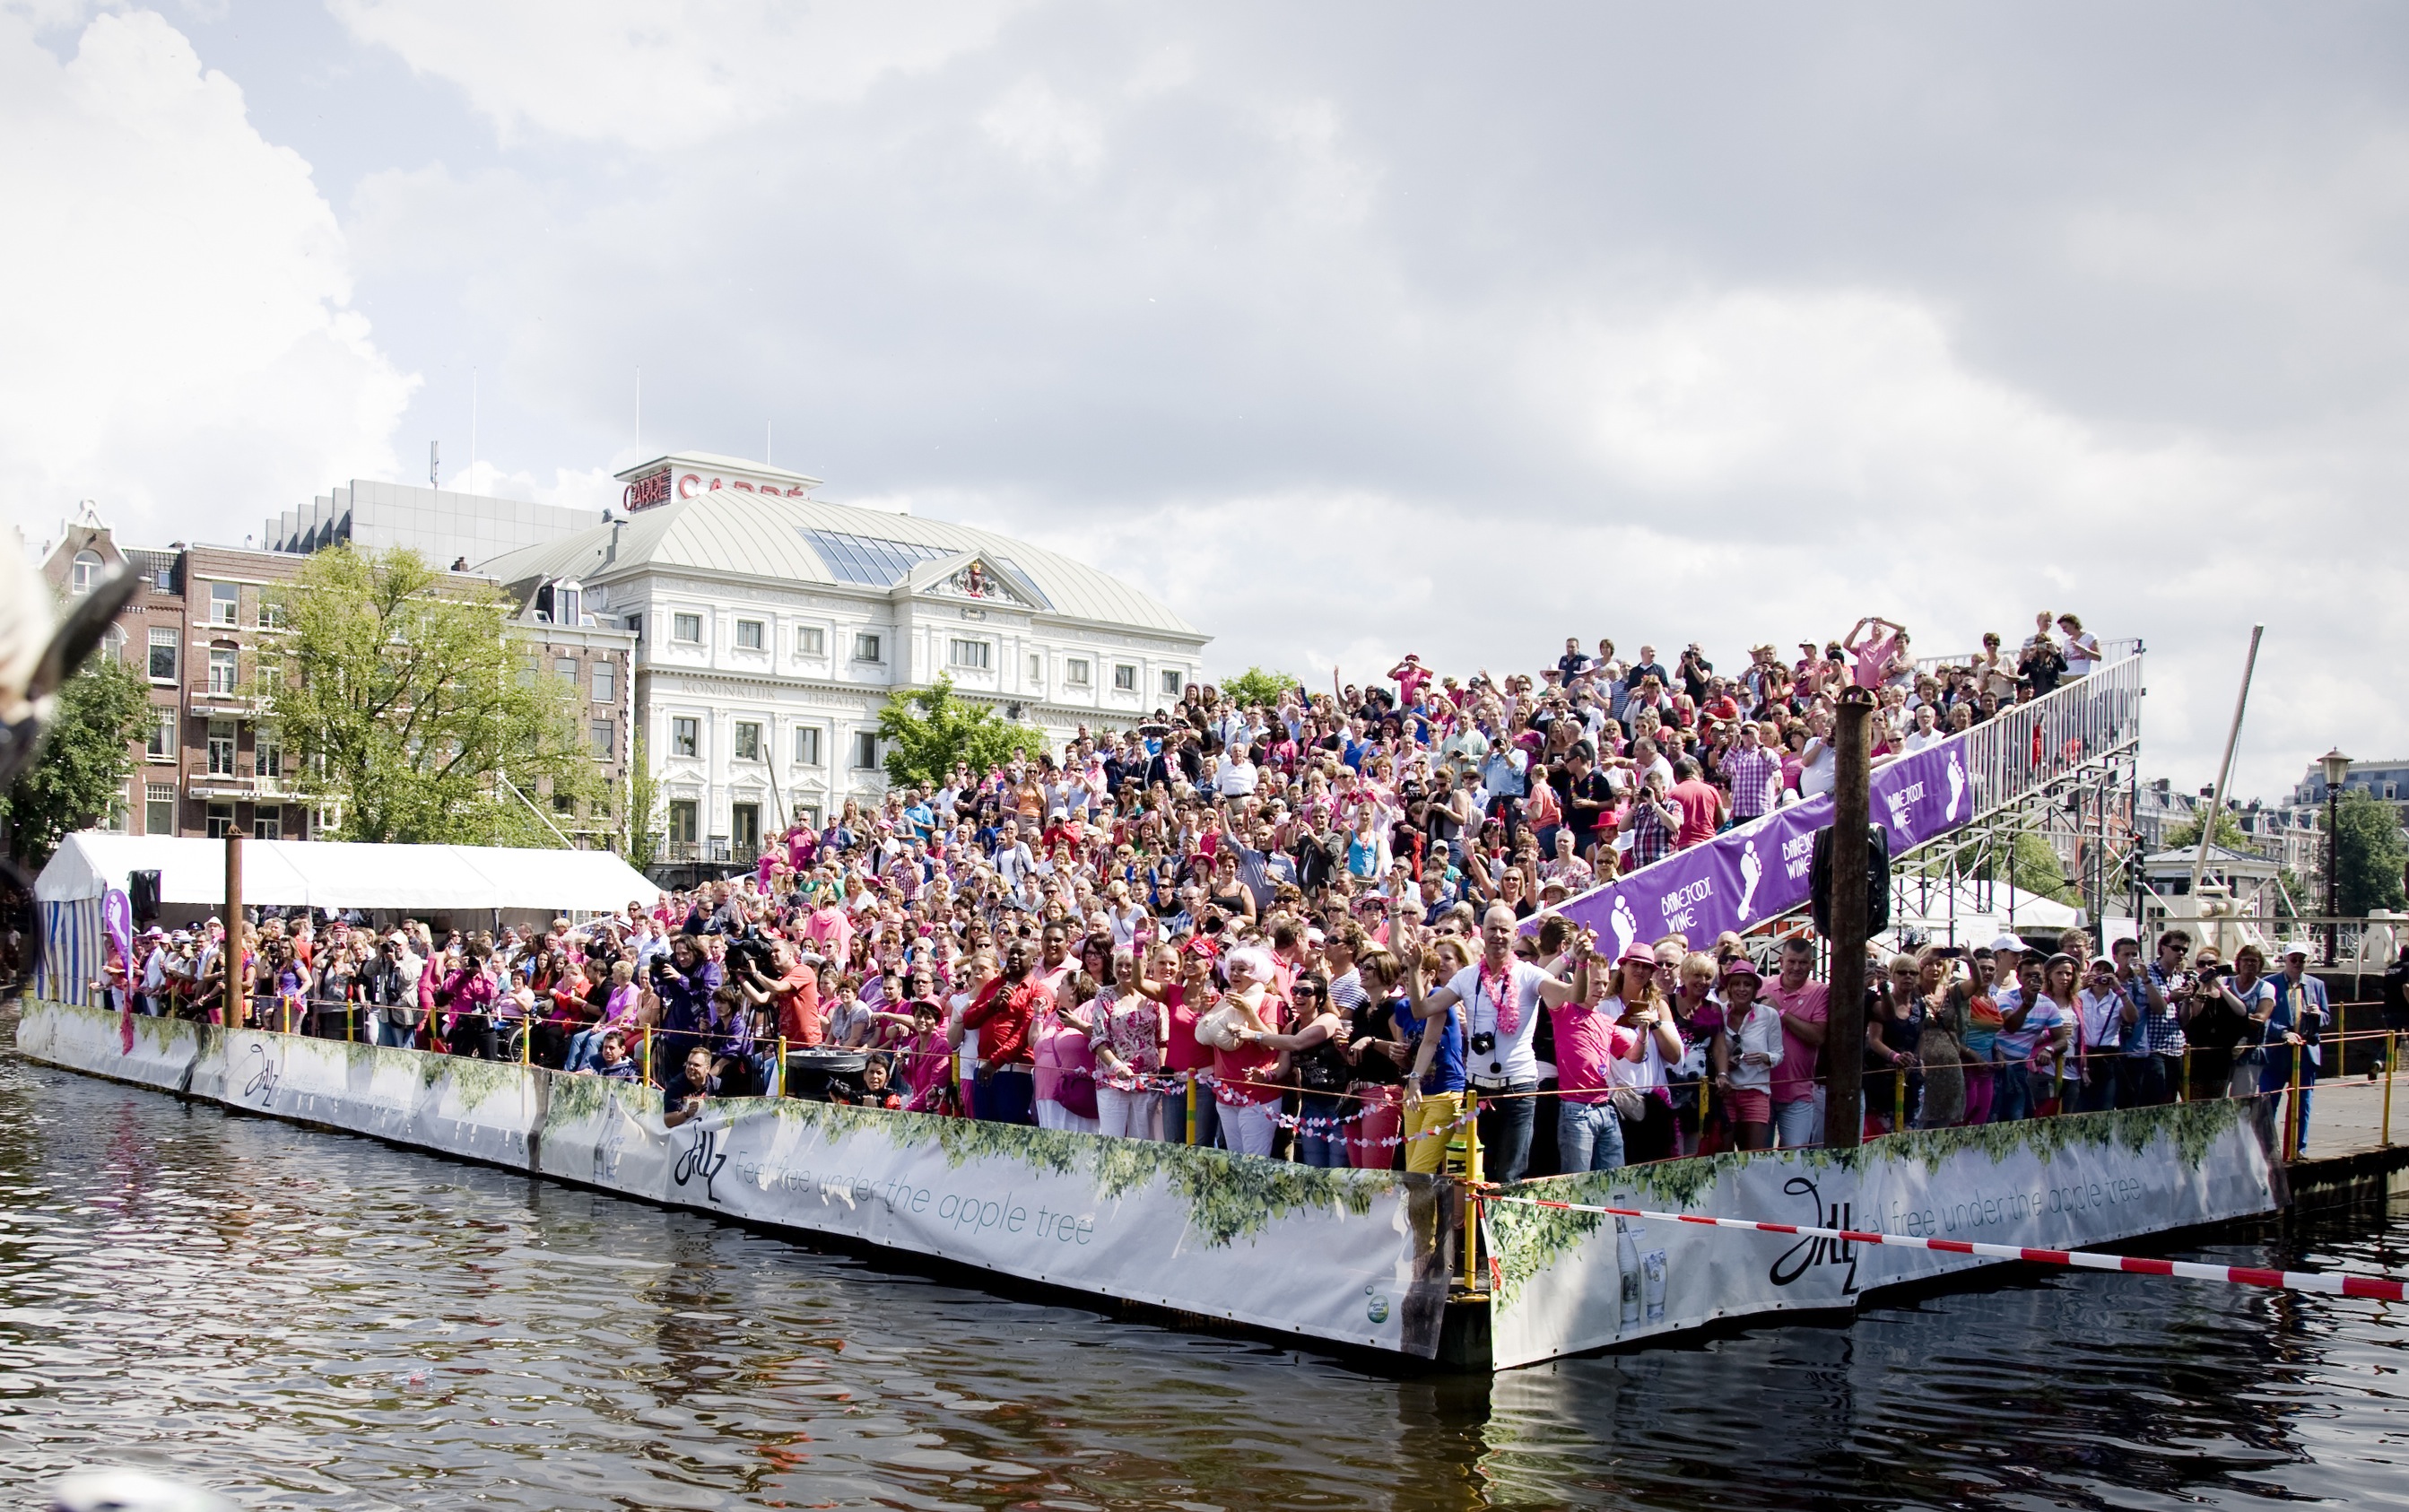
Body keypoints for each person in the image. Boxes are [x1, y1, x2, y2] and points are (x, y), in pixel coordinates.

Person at [1402, 903, 1586, 1185]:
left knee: (1510, 1174)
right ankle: (1476, 1228)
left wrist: (1582, 963)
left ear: (1515, 934)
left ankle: (1502, 1228)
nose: (1498, 935)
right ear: (1482, 932)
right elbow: (1422, 1010)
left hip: (1519, 1089)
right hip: (1477, 1090)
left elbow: (1573, 995)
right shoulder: (1467, 976)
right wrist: (1415, 970)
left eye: (1504, 930)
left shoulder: (1529, 974)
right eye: (1492, 929)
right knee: (1475, 1172)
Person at [1711, 957, 1784, 1149]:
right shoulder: (1719, 1012)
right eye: (1736, 984)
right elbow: (1712, 1051)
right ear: (1729, 987)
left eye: (1747, 984)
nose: (1741, 989)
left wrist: (1765, 1057)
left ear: (1754, 989)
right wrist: (1725, 1063)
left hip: (1756, 1092)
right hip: (1726, 1092)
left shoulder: (1768, 1015)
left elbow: (1779, 1054)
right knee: (1723, 1157)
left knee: (1754, 1158)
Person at [1763, 936, 1829, 1148]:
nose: (1797, 967)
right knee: (1757, 1159)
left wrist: (1781, 1012)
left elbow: (1818, 1036)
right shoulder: (1762, 986)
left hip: (1798, 1093)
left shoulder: (1821, 992)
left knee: (1794, 1158)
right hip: (1760, 1090)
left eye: (1803, 962)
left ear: (1812, 964)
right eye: (1792, 961)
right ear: (1781, 961)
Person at [2264, 946, 2327, 1152]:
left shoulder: (2317, 985)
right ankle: (2266, 1150)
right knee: (2268, 1102)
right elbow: (2263, 1019)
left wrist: (2318, 1014)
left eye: (2302, 959)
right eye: (2294, 959)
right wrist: (2282, 1033)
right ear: (2285, 960)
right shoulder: (2269, 984)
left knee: (2302, 1104)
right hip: (2277, 1052)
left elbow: (2327, 1018)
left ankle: (2298, 1149)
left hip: (2306, 1053)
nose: (2298, 963)